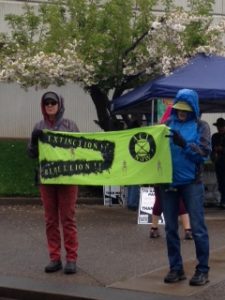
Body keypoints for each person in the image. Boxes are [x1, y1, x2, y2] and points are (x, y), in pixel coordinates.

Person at [159, 89, 211, 286]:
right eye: (179, 108)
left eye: (185, 109)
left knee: (197, 228)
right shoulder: (166, 125)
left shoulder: (201, 126)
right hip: (168, 183)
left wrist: (185, 145)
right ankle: (176, 268)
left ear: (193, 109)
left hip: (192, 183)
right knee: (171, 228)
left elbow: (204, 154)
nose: (181, 112)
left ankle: (202, 270)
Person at [28, 91, 79, 274]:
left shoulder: (70, 125)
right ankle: (54, 257)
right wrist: (34, 140)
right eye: (47, 102)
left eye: (53, 102)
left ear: (59, 104)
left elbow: (79, 151)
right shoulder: (39, 125)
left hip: (67, 180)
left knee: (68, 219)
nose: (50, 105)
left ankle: (71, 258)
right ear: (43, 106)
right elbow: (32, 154)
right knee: (50, 220)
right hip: (47, 179)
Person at [210, 117, 225, 209]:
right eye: (219, 126)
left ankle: (223, 201)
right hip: (219, 163)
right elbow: (212, 148)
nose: (220, 128)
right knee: (221, 182)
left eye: (222, 126)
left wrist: (222, 149)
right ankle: (222, 201)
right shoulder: (215, 136)